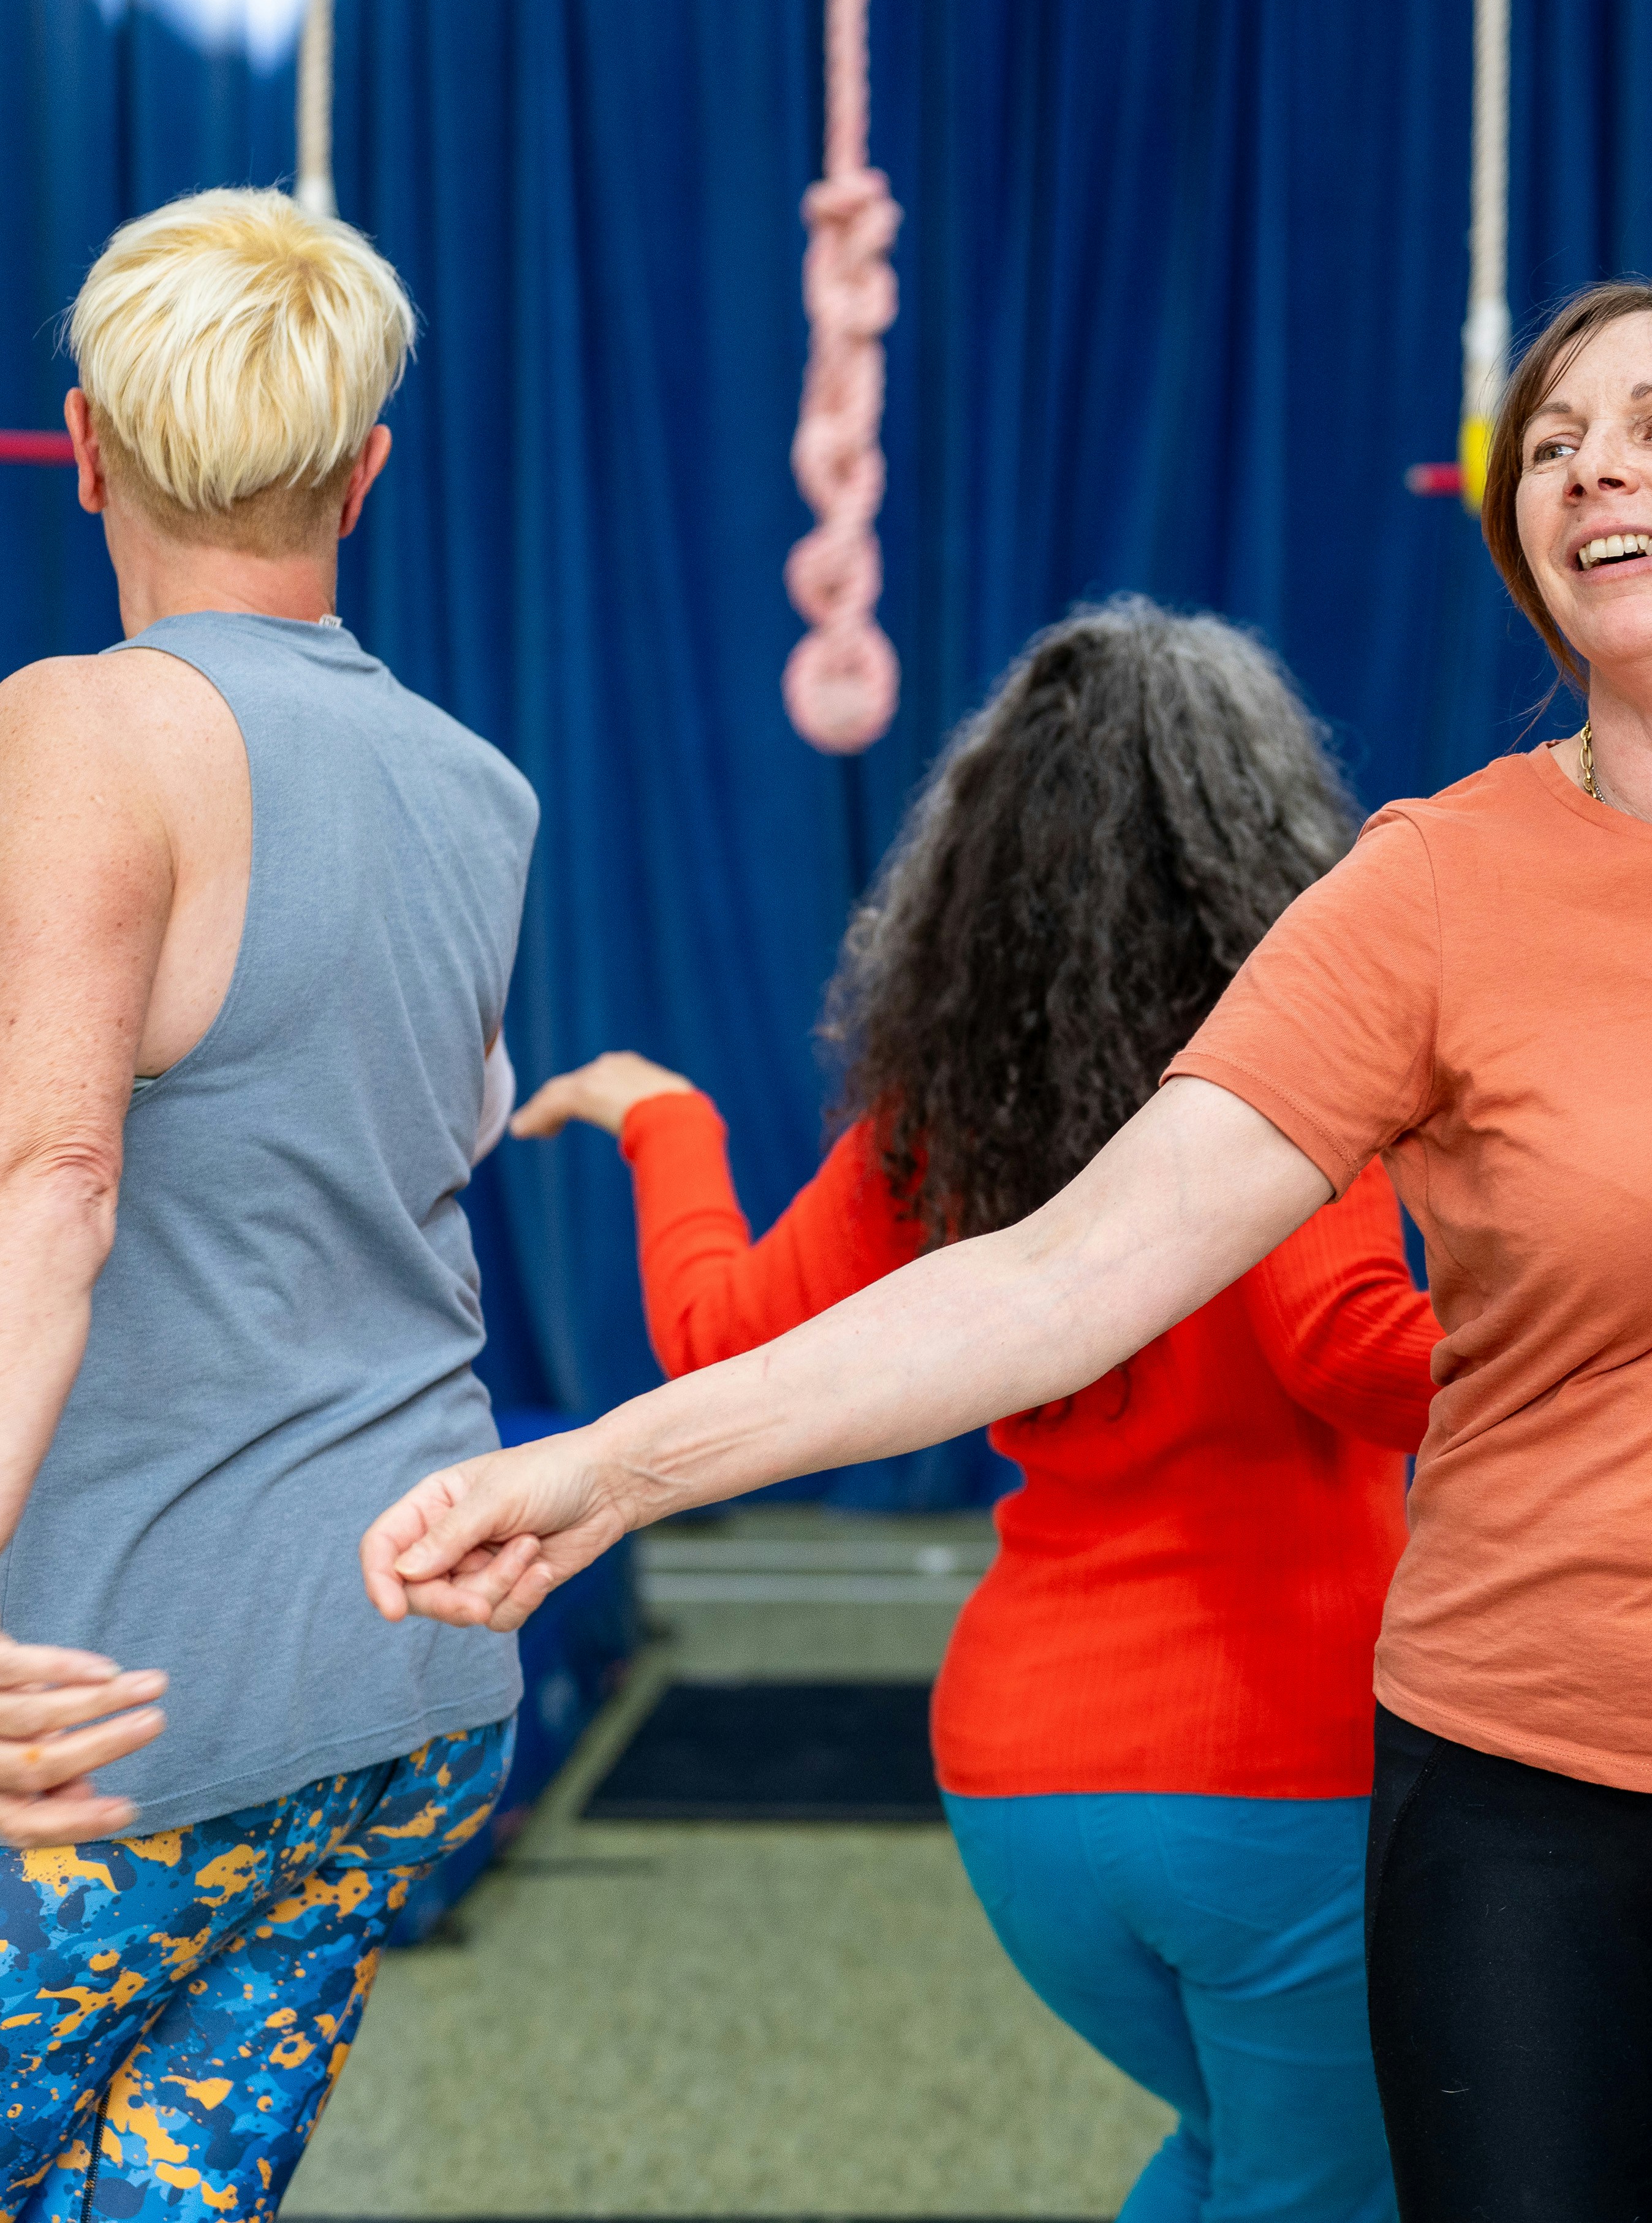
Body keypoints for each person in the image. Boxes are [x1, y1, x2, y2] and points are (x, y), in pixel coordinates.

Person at [368, 283, 1652, 2221]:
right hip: (1524, 1772)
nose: (1593, 460)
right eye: (1556, 440)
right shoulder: (1423, 893)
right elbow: (1058, 1274)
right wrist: (602, 1471)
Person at [0, 190, 536, 2221]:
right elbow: (416, 1124)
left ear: (80, 447)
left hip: (114, 1680)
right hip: (393, 1678)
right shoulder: (470, 781)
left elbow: (55, 1159)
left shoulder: (84, 721)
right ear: (366, 469)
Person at [512, 600, 1433, 2223]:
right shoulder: (1292, 1079)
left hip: (1026, 1790)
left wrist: (663, 1116)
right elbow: (1358, 1352)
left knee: (1241, 2158)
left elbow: (715, 1333)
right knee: (1325, 2183)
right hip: (1276, 1779)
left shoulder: (943, 1120)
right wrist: (1630, 1294)